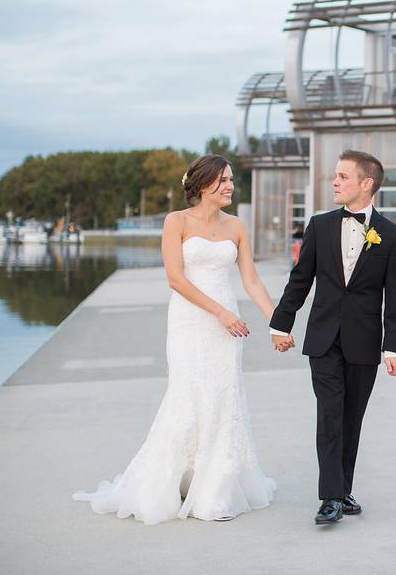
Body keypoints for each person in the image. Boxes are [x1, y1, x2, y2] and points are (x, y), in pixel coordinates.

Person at [73, 155, 277, 524]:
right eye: (223, 180)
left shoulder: (237, 227)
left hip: (228, 326)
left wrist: (278, 322)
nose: (231, 186)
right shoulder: (176, 221)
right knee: (187, 398)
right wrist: (221, 313)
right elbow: (175, 278)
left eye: (231, 179)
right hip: (191, 320)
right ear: (202, 185)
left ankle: (213, 493)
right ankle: (174, 482)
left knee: (222, 400)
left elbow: (251, 281)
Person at [269, 150, 396, 525]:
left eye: (343, 177)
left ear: (366, 184)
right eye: (335, 176)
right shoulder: (320, 225)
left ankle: (343, 489)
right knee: (330, 414)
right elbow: (300, 280)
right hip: (324, 339)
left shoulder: (393, 237)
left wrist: (392, 346)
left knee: (351, 418)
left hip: (364, 343)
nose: (334, 182)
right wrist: (281, 323)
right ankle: (330, 497)